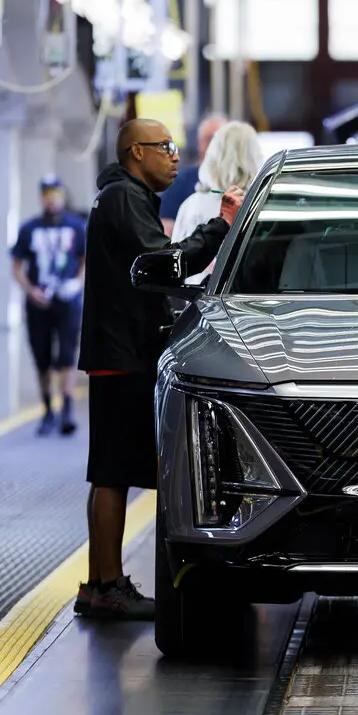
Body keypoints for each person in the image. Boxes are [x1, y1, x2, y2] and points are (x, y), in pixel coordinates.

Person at [75, 118, 242, 620]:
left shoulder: (123, 197)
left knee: (110, 474)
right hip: (122, 355)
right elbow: (163, 262)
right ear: (134, 153)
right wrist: (221, 225)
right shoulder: (125, 198)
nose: (175, 156)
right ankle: (105, 587)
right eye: (164, 147)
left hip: (118, 352)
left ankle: (101, 582)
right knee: (112, 472)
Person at [10, 175, 88, 437]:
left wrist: (77, 284)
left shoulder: (76, 226)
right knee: (42, 357)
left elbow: (86, 259)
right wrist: (30, 291)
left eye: (55, 193)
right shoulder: (30, 228)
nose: (51, 199)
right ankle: (47, 410)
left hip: (67, 301)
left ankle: (66, 409)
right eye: (47, 194)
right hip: (38, 302)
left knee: (66, 356)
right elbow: (17, 265)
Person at [172, 121, 262, 244]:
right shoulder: (264, 205)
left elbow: (176, 258)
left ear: (213, 154)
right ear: (255, 155)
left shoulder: (192, 206)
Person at [156, 113, 227, 235]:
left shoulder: (244, 182)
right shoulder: (180, 182)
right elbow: (164, 228)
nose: (215, 145)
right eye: (210, 139)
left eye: (221, 139)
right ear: (199, 144)